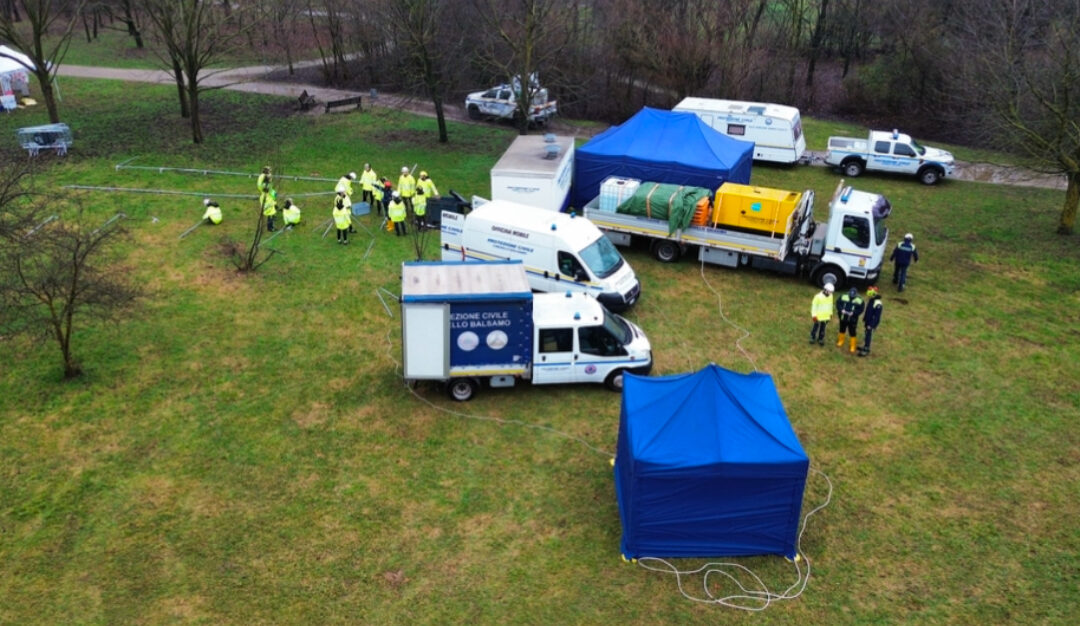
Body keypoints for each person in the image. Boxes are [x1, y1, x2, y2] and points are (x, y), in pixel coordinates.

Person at [835, 286, 865, 355]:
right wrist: (841, 310)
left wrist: (854, 313)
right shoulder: (843, 296)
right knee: (842, 329)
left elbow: (861, 309)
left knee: (852, 332)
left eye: (853, 295)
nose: (851, 296)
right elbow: (838, 303)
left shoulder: (860, 300)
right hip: (843, 317)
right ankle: (840, 341)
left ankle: (852, 345)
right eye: (850, 295)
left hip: (852, 319)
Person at [858, 286, 883, 357]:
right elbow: (868, 311)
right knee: (866, 334)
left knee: (869, 335)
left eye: (869, 296)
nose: (868, 297)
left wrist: (871, 325)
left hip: (871, 323)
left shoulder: (878, 304)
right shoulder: (872, 300)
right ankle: (865, 345)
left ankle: (867, 348)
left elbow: (876, 316)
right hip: (868, 321)